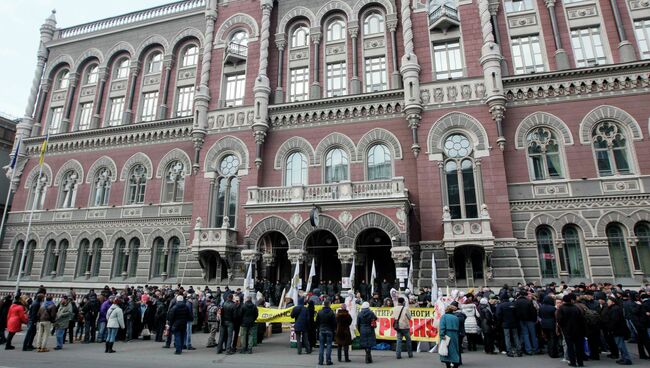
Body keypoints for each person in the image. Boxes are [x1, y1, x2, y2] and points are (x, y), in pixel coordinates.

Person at [557, 293, 586, 367]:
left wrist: (562, 327)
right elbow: (582, 319)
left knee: (570, 347)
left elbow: (560, 320)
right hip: (578, 330)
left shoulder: (561, 308)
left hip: (567, 331)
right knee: (579, 347)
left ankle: (572, 362)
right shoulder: (576, 308)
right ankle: (580, 362)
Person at [604, 296, 633, 365]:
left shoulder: (615, 309)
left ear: (613, 302)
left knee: (621, 345)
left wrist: (610, 329)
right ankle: (624, 358)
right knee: (620, 345)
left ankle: (626, 359)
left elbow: (614, 321)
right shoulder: (614, 308)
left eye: (609, 301)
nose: (607, 302)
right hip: (618, 330)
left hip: (618, 330)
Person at [315, 300, 337, 366]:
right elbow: (334, 323)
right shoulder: (332, 313)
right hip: (329, 330)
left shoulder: (320, 312)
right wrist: (333, 329)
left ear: (324, 304)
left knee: (321, 345)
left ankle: (320, 361)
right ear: (329, 304)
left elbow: (317, 322)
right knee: (329, 345)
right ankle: (328, 360)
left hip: (321, 330)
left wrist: (319, 328)